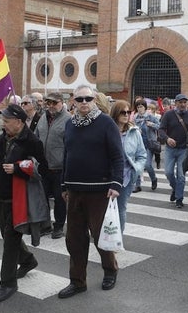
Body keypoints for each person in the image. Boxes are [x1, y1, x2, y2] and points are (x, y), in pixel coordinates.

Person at [57, 85, 124, 299]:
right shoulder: (70, 124)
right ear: (73, 101)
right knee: (74, 239)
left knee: (100, 236)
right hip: (75, 190)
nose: (84, 102)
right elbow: (67, 155)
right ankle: (77, 281)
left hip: (100, 191)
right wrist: (64, 185)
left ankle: (110, 270)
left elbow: (117, 156)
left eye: (88, 98)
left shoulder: (106, 123)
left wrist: (116, 184)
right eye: (80, 99)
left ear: (94, 100)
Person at [0, 104, 47, 303]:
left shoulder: (32, 141)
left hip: (18, 199)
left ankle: (8, 283)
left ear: (19, 122)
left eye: (6, 120)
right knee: (6, 235)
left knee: (10, 241)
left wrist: (18, 168)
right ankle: (28, 261)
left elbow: (40, 168)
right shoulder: (3, 137)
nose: (3, 124)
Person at [35, 92, 70, 239]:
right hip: (43, 166)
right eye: (48, 103)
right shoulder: (43, 117)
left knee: (59, 200)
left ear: (61, 102)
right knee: (42, 199)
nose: (50, 106)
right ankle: (46, 225)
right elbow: (36, 137)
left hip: (59, 167)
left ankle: (59, 227)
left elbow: (70, 145)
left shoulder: (69, 119)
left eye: (54, 103)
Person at [110, 100, 146, 233]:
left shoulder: (134, 132)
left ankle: (117, 239)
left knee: (120, 208)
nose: (126, 115)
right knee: (104, 207)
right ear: (115, 113)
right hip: (108, 176)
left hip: (127, 176)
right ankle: (103, 235)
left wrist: (136, 168)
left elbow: (142, 154)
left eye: (128, 112)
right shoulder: (108, 130)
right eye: (122, 112)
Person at [158, 94, 188, 208]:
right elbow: (161, 130)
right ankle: (175, 189)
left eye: (185, 102)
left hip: (184, 149)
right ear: (176, 103)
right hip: (170, 149)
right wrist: (167, 139)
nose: (183, 104)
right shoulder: (168, 114)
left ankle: (179, 198)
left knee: (181, 175)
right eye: (180, 102)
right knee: (168, 172)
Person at [132, 100, 159, 192]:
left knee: (147, 165)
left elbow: (160, 126)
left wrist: (151, 124)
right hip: (138, 144)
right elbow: (131, 128)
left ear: (145, 107)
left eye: (141, 106)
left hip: (149, 144)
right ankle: (138, 185)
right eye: (138, 107)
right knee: (137, 165)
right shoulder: (135, 118)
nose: (140, 109)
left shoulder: (150, 116)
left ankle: (154, 179)